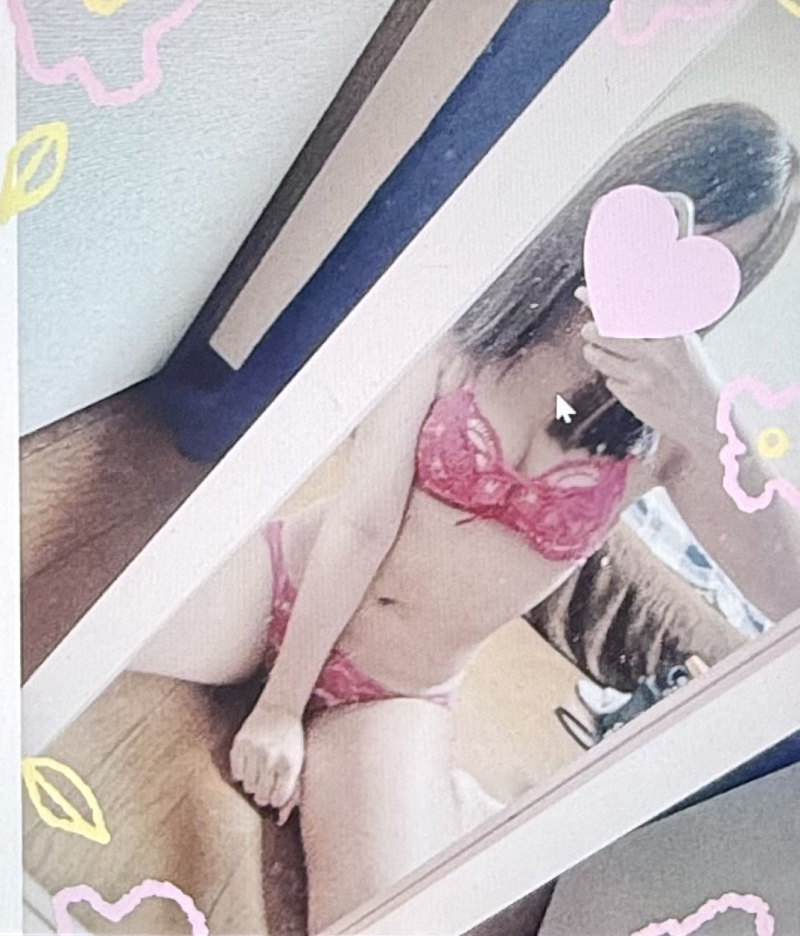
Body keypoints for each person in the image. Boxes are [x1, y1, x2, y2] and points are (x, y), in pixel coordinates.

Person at [131, 102, 800, 933]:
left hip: (395, 696)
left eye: (705, 276)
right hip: (284, 587)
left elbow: (792, 600)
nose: (661, 291)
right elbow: (362, 523)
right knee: (79, 629)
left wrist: (714, 420)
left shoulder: (671, 436)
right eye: (677, 237)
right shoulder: (479, 306)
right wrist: (278, 707)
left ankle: (446, 802)